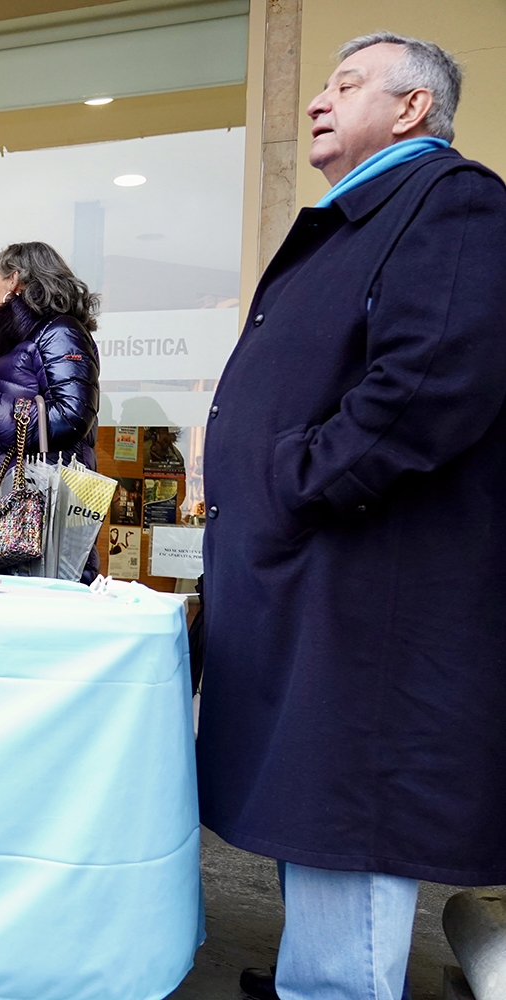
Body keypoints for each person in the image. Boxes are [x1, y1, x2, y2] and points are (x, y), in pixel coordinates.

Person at [196, 34, 506, 1000]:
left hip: (367, 582)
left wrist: (295, 477)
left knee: (348, 802)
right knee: (310, 799)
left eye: (347, 84)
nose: (320, 101)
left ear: (414, 109)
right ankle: (312, 977)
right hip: (315, 568)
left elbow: (425, 385)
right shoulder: (363, 214)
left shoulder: (452, 200)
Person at [0, 242, 101, 579]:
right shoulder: (19, 343)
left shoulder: (60, 332)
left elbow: (71, 415)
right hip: (7, 520)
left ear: (15, 280)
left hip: (38, 520)